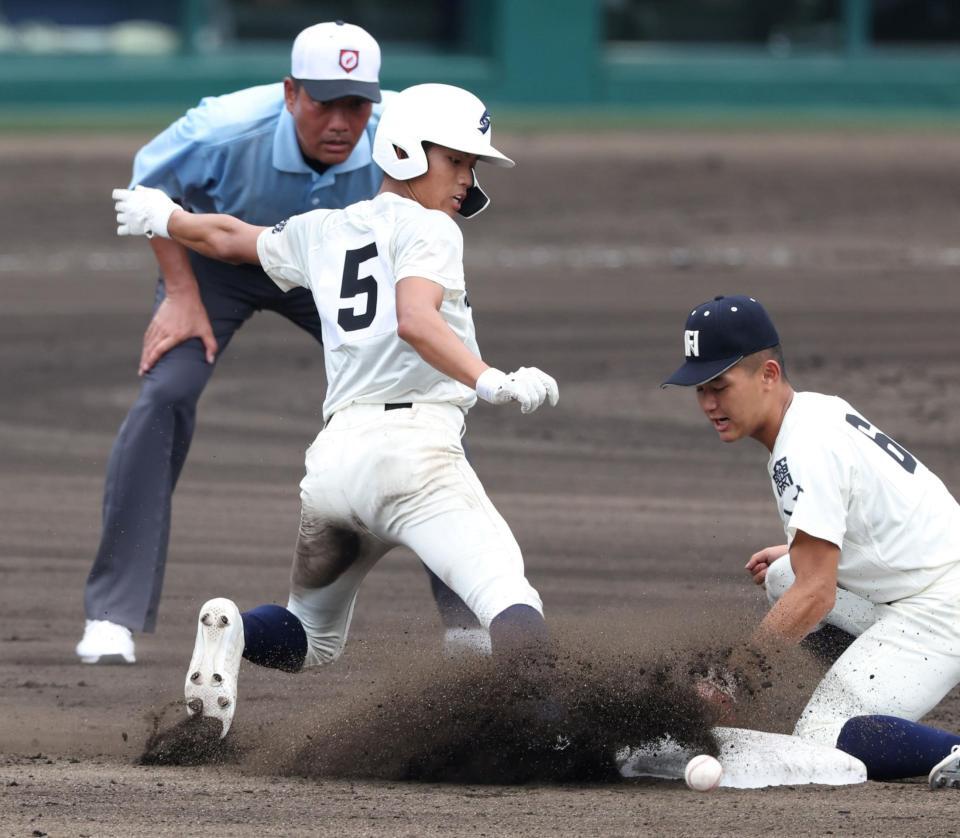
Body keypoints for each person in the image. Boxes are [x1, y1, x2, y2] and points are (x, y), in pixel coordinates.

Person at [111, 82, 559, 737]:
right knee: (511, 598)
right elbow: (415, 319)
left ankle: (233, 629)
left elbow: (232, 237)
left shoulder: (324, 230)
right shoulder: (433, 230)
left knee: (310, 635)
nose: (466, 178)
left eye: (472, 165)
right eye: (456, 161)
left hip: (337, 468)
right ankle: (554, 735)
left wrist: (166, 218)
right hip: (417, 458)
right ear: (406, 150)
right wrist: (491, 379)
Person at [77, 21, 481, 664]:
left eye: (357, 103)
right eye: (325, 101)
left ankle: (469, 623)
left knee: (426, 393)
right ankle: (112, 614)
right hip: (217, 265)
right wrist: (181, 294)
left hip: (333, 271)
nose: (343, 121)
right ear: (291, 92)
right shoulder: (222, 128)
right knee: (166, 394)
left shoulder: (401, 138)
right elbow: (149, 190)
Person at [662, 294, 960, 788]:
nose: (709, 403)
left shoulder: (805, 447)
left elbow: (817, 593)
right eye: (700, 390)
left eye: (720, 386)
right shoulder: (815, 412)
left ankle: (944, 746)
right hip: (930, 577)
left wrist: (731, 680)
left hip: (939, 607)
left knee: (824, 733)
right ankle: (868, 679)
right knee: (785, 575)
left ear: (769, 375)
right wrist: (799, 547)